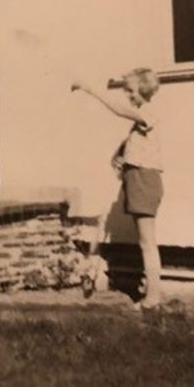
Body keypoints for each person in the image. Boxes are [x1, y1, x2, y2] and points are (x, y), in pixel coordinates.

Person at [72, 68, 164, 309]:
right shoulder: (140, 123)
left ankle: (153, 297)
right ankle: (151, 294)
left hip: (144, 180)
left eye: (131, 91)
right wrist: (120, 156)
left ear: (144, 90)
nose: (129, 97)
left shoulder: (148, 112)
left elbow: (120, 110)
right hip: (137, 178)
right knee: (145, 241)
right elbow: (130, 147)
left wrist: (91, 89)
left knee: (147, 241)